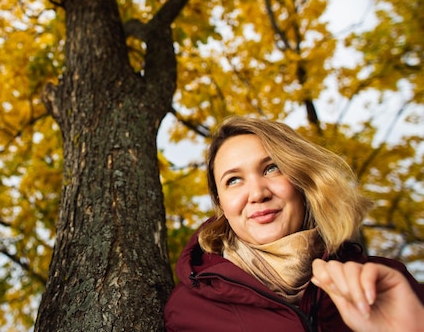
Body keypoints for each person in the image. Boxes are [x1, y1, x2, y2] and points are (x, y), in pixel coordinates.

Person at [164, 115, 424, 332]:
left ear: (302, 179)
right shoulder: (188, 311)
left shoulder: (387, 283)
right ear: (222, 206)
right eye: (233, 180)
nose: (257, 194)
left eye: (271, 168)